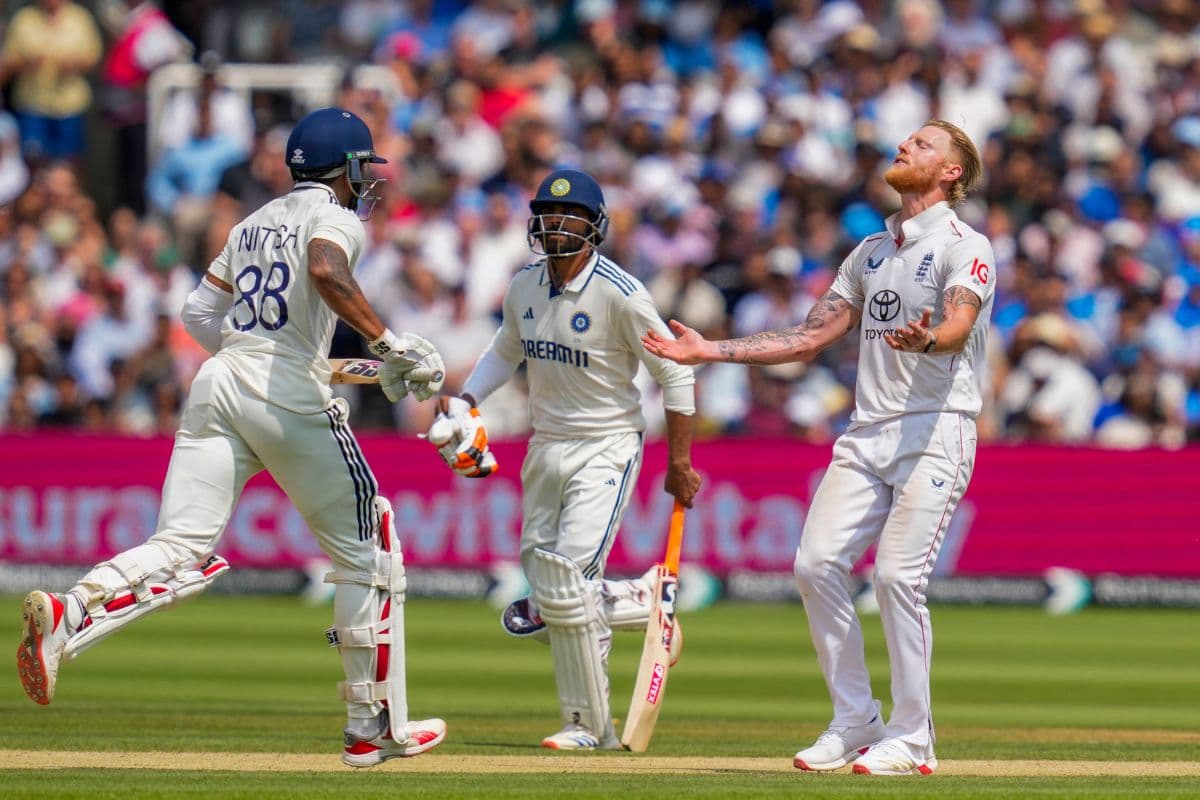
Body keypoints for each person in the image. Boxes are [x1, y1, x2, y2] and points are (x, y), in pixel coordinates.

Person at [17, 107, 449, 768]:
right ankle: (370, 727)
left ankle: (70, 612)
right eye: (363, 169)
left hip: (219, 382)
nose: (367, 183)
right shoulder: (332, 219)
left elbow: (197, 311)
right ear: (345, 169)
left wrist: (258, 352)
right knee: (372, 546)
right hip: (286, 396)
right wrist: (389, 346)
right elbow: (329, 273)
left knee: (181, 543)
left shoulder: (252, 221)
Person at [644, 120, 993, 776]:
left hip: (936, 427)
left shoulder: (963, 244)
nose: (903, 149)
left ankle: (913, 737)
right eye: (905, 141)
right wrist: (707, 351)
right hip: (868, 431)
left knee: (896, 578)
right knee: (814, 565)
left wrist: (926, 340)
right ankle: (856, 719)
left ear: (952, 173)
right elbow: (808, 337)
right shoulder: (868, 253)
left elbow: (959, 321)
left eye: (921, 145)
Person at [428, 168, 701, 750]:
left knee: (568, 583)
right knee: (548, 595)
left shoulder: (623, 295)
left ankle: (588, 727)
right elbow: (505, 350)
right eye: (549, 214)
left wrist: (679, 461)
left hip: (607, 444)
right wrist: (466, 399)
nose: (556, 224)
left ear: (595, 225)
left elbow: (676, 374)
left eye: (570, 214)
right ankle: (644, 600)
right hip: (545, 445)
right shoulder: (524, 284)